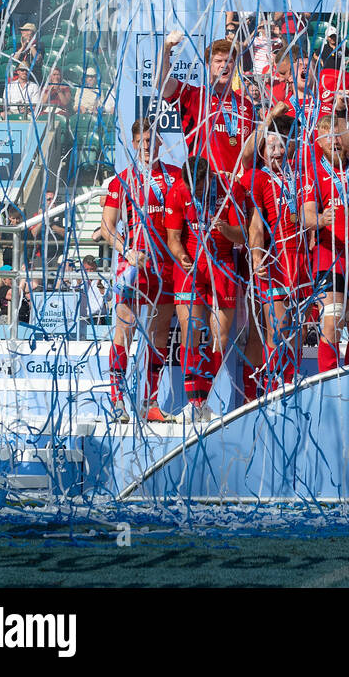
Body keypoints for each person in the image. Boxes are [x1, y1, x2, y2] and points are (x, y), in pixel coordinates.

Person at [99, 120, 183, 423]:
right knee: (126, 329)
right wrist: (126, 250)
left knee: (159, 334)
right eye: (142, 141)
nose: (148, 146)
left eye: (152, 140)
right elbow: (107, 227)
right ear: (134, 145)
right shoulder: (122, 181)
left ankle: (149, 402)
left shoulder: (176, 177)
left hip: (167, 266)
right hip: (134, 268)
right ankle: (118, 400)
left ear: (161, 143)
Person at [164, 157, 248, 422]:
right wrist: (182, 257)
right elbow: (173, 238)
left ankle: (203, 399)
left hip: (221, 261)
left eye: (199, 186)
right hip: (190, 264)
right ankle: (193, 400)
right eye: (191, 187)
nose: (195, 192)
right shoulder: (178, 189)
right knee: (191, 332)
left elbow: (242, 235)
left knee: (220, 337)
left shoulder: (229, 189)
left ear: (208, 177)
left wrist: (226, 229)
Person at [302, 113, 349, 371]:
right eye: (326, 137)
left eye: (337, 136)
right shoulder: (314, 172)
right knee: (332, 322)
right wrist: (321, 219)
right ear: (319, 143)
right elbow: (306, 214)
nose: (333, 141)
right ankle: (329, 382)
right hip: (331, 256)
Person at [244, 127, 311, 387]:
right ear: (261, 153)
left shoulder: (300, 176)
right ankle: (274, 386)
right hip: (275, 259)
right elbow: (256, 225)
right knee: (278, 326)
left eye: (281, 146)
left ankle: (290, 380)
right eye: (271, 147)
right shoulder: (257, 178)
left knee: (299, 328)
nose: (277, 152)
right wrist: (257, 256)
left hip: (301, 258)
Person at [157, 31, 256, 181]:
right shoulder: (194, 96)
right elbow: (162, 83)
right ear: (208, 65)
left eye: (229, 60)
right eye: (218, 61)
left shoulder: (247, 105)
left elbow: (253, 150)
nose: (224, 65)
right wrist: (166, 49)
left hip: (237, 187)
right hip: (204, 185)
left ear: (235, 64)